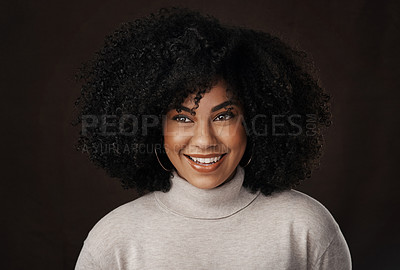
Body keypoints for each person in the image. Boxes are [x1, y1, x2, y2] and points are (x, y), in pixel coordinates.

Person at [73, 7, 351, 269]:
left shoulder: (306, 228)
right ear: (155, 128)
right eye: (182, 118)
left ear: (253, 121)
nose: (204, 140)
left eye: (223, 116)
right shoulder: (114, 238)